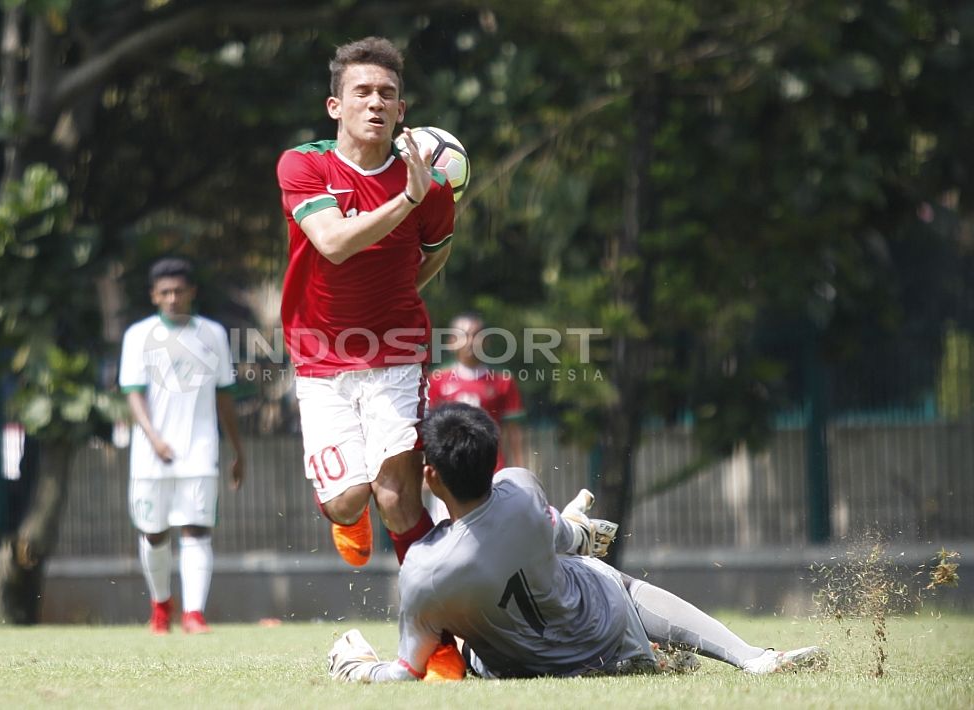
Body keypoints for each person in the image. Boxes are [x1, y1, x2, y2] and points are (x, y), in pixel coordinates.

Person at [327, 403, 826, 681]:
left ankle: (662, 653)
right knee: (607, 578)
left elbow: (405, 673)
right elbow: (565, 537)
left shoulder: (421, 572)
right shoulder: (519, 487)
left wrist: (357, 669)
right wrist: (579, 529)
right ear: (491, 456)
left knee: (475, 634)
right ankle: (752, 658)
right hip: (602, 635)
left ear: (430, 476)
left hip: (519, 669)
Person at [276, 36, 456, 568]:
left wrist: (393, 295)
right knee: (347, 499)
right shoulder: (304, 165)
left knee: (398, 497)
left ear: (402, 111)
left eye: (387, 94)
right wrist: (407, 200)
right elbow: (331, 244)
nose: (375, 102)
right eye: (362, 92)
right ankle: (347, 513)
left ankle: (438, 635)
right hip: (318, 353)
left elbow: (434, 255)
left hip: (398, 351)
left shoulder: (434, 189)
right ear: (335, 105)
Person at [118, 258, 245, 635]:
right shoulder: (138, 336)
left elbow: (225, 395)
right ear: (154, 295)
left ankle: (194, 614)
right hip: (150, 456)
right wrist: (155, 439)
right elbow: (133, 394)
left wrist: (238, 449)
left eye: (179, 290)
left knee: (196, 530)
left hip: (200, 450)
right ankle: (161, 605)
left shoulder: (213, 335)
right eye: (165, 292)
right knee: (154, 534)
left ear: (192, 292)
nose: (172, 298)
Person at [427, 312, 526, 520]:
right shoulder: (437, 381)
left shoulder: (502, 381)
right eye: (463, 335)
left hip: (492, 471)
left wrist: (519, 469)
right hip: (448, 472)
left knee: (493, 528)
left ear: (487, 340)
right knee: (447, 528)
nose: (470, 341)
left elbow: (513, 432)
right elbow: (427, 431)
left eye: (476, 334)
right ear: (451, 341)